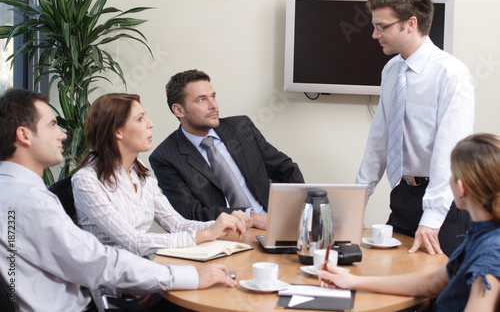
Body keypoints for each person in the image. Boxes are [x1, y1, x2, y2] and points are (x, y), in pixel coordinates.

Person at [0, 89, 237, 312]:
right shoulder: (33, 202)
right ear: (24, 135)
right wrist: (184, 277)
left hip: (123, 281)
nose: (62, 133)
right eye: (52, 125)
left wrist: (217, 226)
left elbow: (77, 261)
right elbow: (99, 263)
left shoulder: (14, 192)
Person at [356, 0, 474, 256]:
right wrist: (357, 200)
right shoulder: (392, 70)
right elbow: (379, 139)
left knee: (438, 293)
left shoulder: (451, 74)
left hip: (446, 202)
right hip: (403, 195)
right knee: (390, 274)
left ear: (410, 24)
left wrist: (432, 217)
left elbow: (451, 151)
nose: (375, 34)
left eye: (382, 27)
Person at [319, 133, 500, 311]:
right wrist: (354, 281)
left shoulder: (488, 253)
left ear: (461, 188)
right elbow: (433, 281)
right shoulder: (481, 234)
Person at [72, 93, 252, 258]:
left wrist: (220, 224)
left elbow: (177, 225)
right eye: (140, 119)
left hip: (142, 272)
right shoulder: (86, 180)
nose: (150, 124)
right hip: (114, 282)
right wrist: (206, 234)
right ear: (118, 131)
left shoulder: (137, 169)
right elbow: (135, 243)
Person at [149, 69, 304, 229]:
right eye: (201, 100)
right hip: (224, 236)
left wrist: (298, 213)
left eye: (213, 97)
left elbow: (285, 168)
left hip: (271, 224)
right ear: (179, 110)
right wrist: (252, 218)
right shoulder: (165, 157)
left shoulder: (242, 128)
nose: (213, 105)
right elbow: (191, 213)